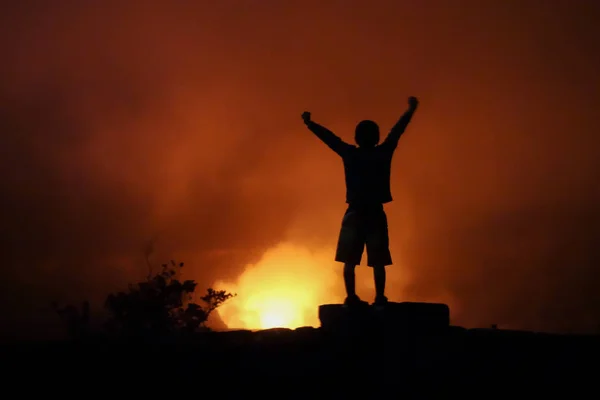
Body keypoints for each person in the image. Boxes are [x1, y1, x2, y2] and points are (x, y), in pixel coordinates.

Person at [301, 96, 419, 306]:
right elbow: (398, 130)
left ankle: (351, 297)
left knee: (350, 260)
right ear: (376, 137)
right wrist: (410, 110)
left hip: (355, 212)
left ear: (357, 137)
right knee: (378, 261)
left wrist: (310, 124)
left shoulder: (350, 154)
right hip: (374, 212)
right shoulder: (383, 153)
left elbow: (330, 139)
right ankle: (380, 297)